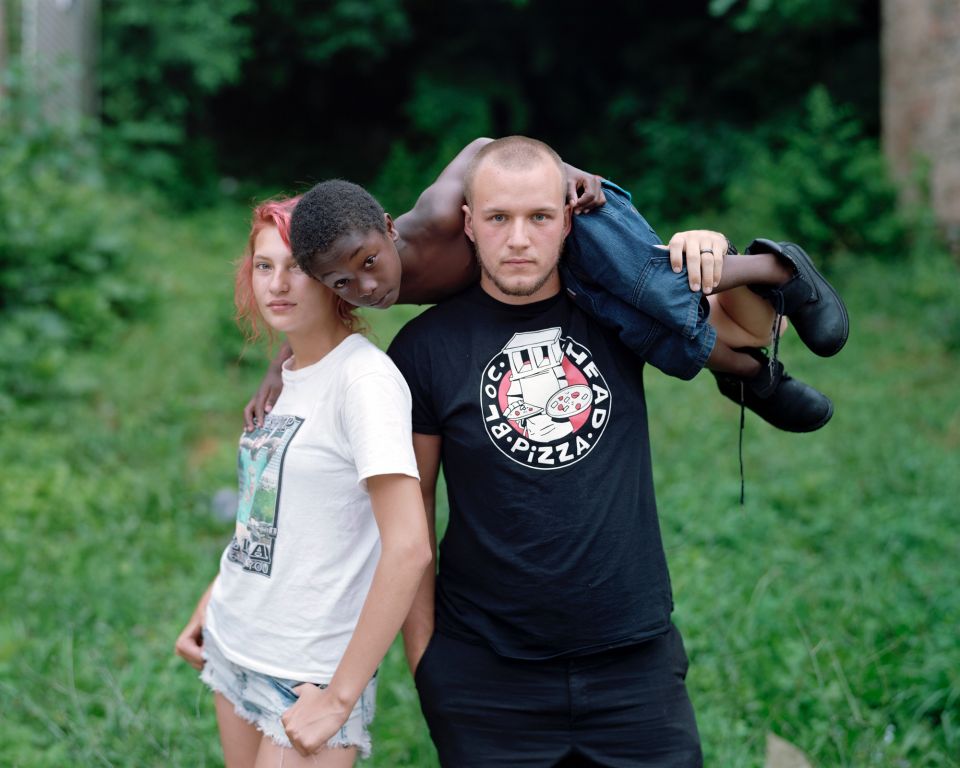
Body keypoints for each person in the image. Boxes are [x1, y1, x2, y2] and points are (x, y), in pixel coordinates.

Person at [383, 136, 843, 766]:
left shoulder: (617, 313)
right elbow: (412, 520)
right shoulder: (422, 348)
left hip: (634, 669)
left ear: (569, 219)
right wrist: (428, 663)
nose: (519, 239)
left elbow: (756, 329)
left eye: (539, 217)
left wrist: (713, 254)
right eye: (498, 218)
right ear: (469, 223)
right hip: (485, 677)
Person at [246, 138, 846, 436]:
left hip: (561, 213)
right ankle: (747, 374)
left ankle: (782, 271)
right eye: (343, 282)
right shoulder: (343, 281)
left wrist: (563, 173)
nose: (365, 287)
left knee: (651, 290)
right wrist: (279, 372)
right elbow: (310, 314)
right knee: (631, 324)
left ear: (385, 228)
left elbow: (484, 148)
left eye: (369, 263)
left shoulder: (430, 218)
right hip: (539, 271)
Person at [174, 197, 432, 767]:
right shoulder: (286, 377)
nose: (277, 283)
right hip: (236, 640)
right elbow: (268, 515)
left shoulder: (364, 382)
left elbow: (409, 547)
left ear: (329, 273)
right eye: (263, 266)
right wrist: (213, 600)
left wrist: (339, 696)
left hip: (308, 671)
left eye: (294, 266)